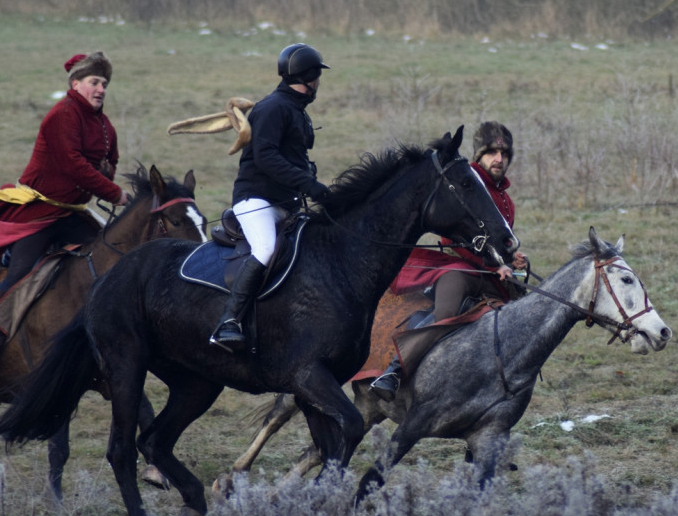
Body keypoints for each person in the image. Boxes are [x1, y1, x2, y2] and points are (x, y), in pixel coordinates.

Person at [0, 52, 130, 372]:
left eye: (104, 84)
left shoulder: (104, 124)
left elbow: (109, 161)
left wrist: (107, 173)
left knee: (106, 257)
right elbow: (73, 166)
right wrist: (113, 193)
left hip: (71, 212)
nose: (101, 89)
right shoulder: (63, 114)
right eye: (94, 82)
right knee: (20, 273)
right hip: (37, 212)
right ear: (76, 84)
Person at [369, 120, 529, 400]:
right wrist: (496, 263)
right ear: (479, 154)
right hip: (458, 267)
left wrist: (513, 259)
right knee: (445, 313)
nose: (499, 159)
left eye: (504, 155)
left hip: (491, 276)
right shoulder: (466, 183)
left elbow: (500, 243)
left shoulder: (506, 200)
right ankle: (394, 371)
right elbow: (461, 240)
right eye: (491, 153)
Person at [209, 43, 331, 352]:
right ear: (310, 76)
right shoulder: (274, 108)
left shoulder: (295, 110)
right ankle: (229, 321)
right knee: (265, 249)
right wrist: (310, 186)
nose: (319, 83)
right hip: (255, 200)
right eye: (317, 76)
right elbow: (265, 157)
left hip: (284, 203)